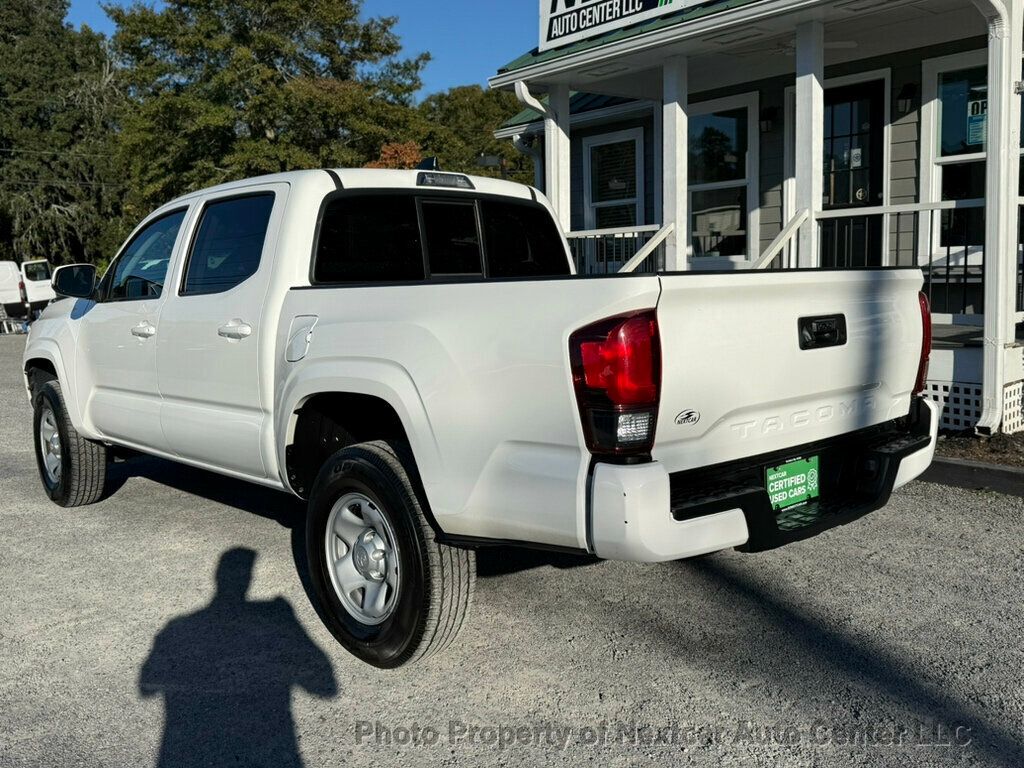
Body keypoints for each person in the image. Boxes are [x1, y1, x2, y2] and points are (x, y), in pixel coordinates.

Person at [139, 548, 337, 768]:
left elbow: (146, 687)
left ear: (217, 577)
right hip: (270, 749)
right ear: (249, 578)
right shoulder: (276, 614)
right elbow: (326, 688)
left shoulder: (176, 628)